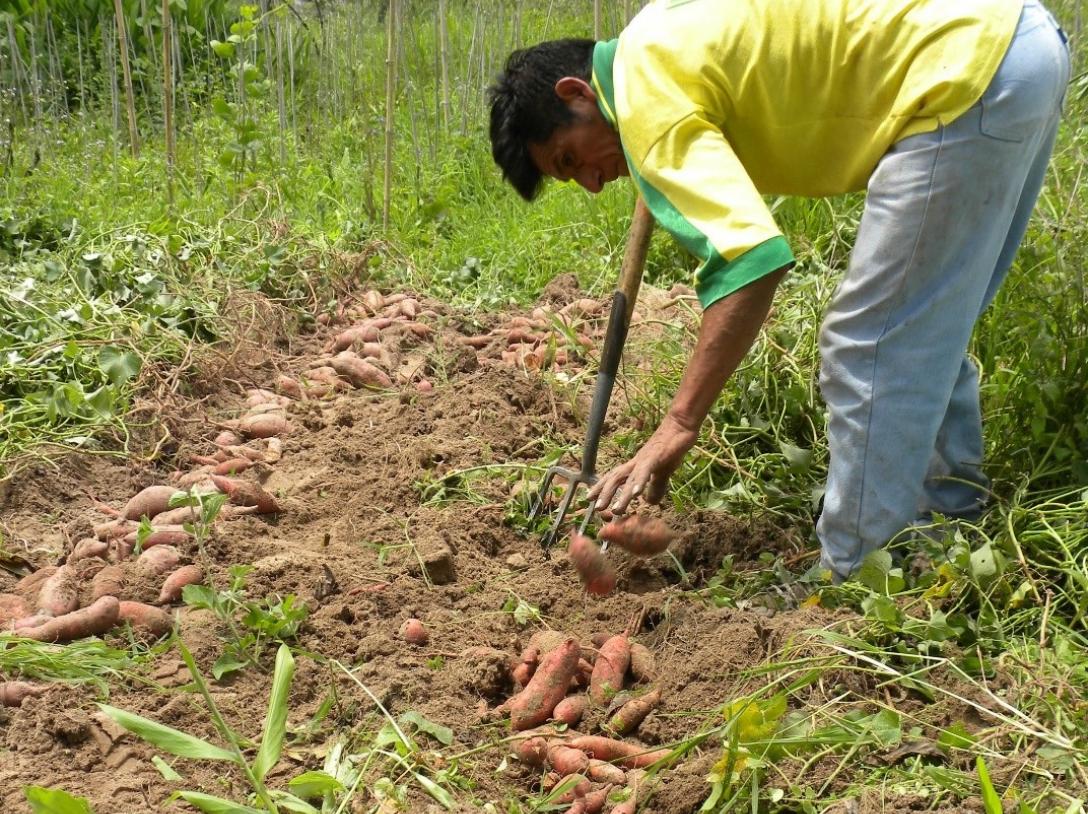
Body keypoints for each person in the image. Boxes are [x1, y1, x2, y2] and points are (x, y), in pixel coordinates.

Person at [487, 0, 1070, 582]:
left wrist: (679, 424)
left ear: (577, 93)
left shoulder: (643, 103)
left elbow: (754, 260)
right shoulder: (658, 34)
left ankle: (854, 581)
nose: (592, 183)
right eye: (572, 178)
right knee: (928, 324)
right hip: (1016, 41)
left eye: (571, 159)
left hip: (958, 74)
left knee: (868, 344)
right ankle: (950, 521)